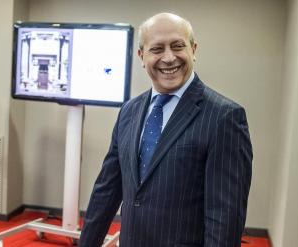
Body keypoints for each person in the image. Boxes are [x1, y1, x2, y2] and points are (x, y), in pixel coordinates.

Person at [79, 12, 252, 247]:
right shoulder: (129, 111)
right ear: (142, 55)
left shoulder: (224, 117)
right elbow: (107, 190)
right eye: (157, 49)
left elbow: (225, 216)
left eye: (178, 46)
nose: (169, 58)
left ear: (194, 49)